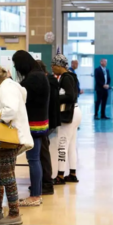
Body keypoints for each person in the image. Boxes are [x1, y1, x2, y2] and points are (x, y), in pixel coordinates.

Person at [0, 65, 33, 224]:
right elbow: (23, 95)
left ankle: (14, 213)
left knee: (6, 173)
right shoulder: (11, 86)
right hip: (9, 138)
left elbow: (11, 110)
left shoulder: (6, 88)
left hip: (11, 139)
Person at [13, 51, 50, 206]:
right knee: (36, 160)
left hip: (34, 125)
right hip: (40, 123)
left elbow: (21, 94)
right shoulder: (39, 74)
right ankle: (37, 193)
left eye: (16, 65)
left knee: (33, 159)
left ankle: (35, 195)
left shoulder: (33, 78)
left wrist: (10, 83)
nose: (16, 68)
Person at [51, 54, 82, 185]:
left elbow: (70, 96)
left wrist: (54, 98)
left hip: (70, 113)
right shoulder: (72, 76)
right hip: (76, 111)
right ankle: (72, 174)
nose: (52, 68)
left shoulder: (65, 78)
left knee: (62, 145)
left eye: (53, 66)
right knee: (71, 145)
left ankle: (60, 176)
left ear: (59, 66)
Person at [36, 59, 61, 195]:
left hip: (45, 121)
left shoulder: (46, 83)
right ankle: (45, 180)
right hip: (49, 121)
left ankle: (46, 182)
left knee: (43, 152)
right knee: (43, 151)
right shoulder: (51, 81)